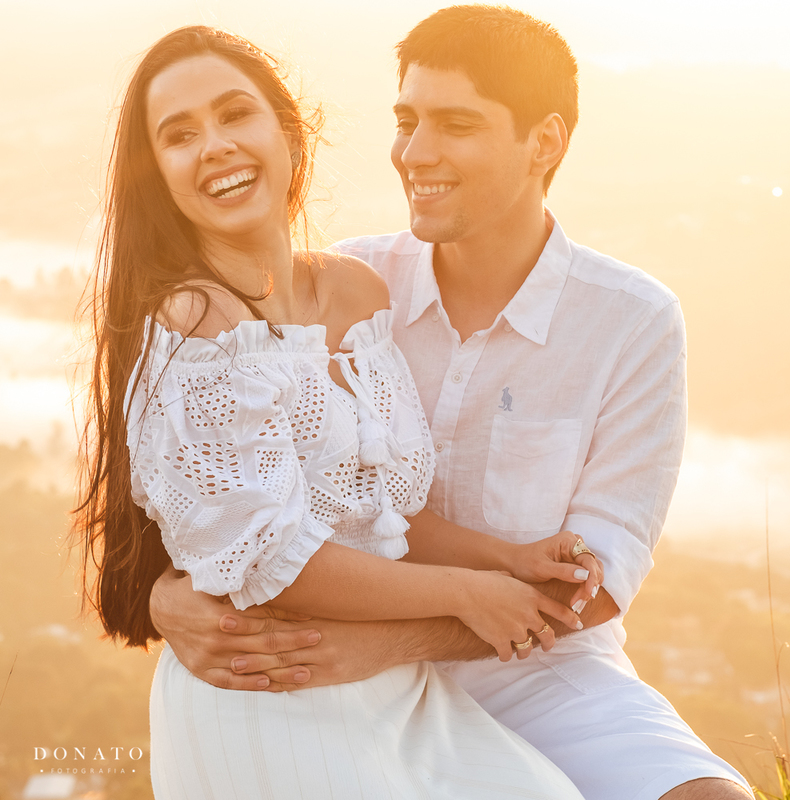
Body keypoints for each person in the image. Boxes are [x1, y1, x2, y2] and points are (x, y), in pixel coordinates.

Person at [149, 7, 753, 799]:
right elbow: (215, 490)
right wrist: (162, 599)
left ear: (544, 143)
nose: (414, 152)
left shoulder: (631, 321)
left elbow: (594, 586)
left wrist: (397, 642)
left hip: (531, 663)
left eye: (456, 124)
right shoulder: (342, 288)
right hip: (337, 650)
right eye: (407, 121)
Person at [74, 24, 599, 799]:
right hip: (274, 690)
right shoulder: (196, 326)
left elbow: (377, 512)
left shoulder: (356, 292)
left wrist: (504, 558)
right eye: (179, 135)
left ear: (290, 133)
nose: (214, 145)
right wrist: (467, 593)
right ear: (159, 175)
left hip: (397, 687)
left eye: (234, 114)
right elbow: (276, 562)